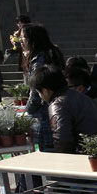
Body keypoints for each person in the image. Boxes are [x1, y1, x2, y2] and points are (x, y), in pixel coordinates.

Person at [29, 64, 97, 153]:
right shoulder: (81, 97)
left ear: (45, 91)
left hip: (85, 155)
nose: (40, 96)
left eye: (39, 92)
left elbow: (62, 143)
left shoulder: (58, 104)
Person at [21, 23, 66, 151]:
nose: (21, 41)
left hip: (45, 113)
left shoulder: (39, 60)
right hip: (57, 107)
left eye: (24, 37)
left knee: (48, 150)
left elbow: (36, 90)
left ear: (33, 39)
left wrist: (28, 109)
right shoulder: (51, 53)